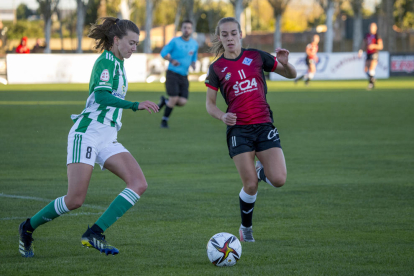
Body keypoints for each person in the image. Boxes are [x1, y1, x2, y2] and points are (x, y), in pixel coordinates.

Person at [18, 17, 159, 258]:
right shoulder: (105, 63)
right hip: (87, 133)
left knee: (139, 183)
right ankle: (27, 228)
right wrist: (136, 105)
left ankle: (94, 233)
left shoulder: (118, 63)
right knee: (74, 200)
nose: (134, 48)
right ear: (116, 40)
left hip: (107, 136)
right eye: (131, 43)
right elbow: (102, 97)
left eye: (136, 44)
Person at [205, 17, 296, 242]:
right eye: (224, 34)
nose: (229, 38)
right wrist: (222, 116)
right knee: (250, 185)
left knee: (279, 179)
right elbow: (209, 104)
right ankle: (246, 230)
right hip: (239, 130)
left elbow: (291, 75)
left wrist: (285, 63)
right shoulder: (216, 68)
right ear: (220, 38)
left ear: (240, 34)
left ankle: (259, 169)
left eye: (233, 33)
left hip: (264, 125)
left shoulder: (256, 56)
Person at [158, 20, 198, 128]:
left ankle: (164, 101)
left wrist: (193, 64)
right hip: (172, 74)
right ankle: (164, 121)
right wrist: (171, 60)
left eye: (189, 28)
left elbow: (194, 57)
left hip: (184, 75)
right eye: (185, 27)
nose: (187, 30)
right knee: (174, 98)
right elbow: (163, 53)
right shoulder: (175, 41)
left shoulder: (194, 44)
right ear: (182, 29)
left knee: (183, 101)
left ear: (191, 30)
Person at [358, 22, 383, 89]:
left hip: (374, 53)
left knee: (371, 68)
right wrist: (360, 50)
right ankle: (372, 78)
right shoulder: (367, 35)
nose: (371, 28)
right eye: (370, 27)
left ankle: (371, 84)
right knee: (365, 70)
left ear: (376, 28)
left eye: (373, 27)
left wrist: (373, 46)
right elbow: (364, 44)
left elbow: (380, 46)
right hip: (368, 53)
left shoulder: (377, 36)